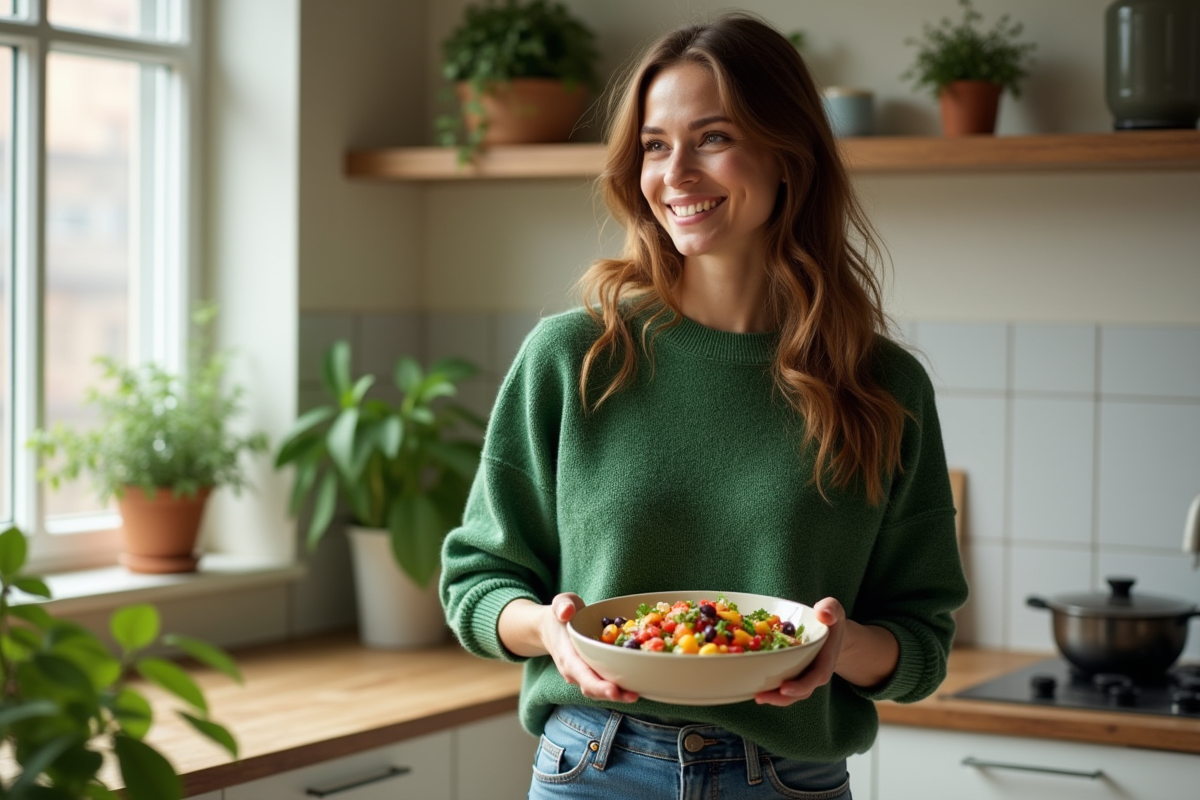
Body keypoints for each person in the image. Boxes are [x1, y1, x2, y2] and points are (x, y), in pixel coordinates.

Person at [440, 11, 968, 800]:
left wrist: (842, 646)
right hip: (594, 766)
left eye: (713, 137)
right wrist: (552, 630)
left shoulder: (881, 385)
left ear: (788, 154)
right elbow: (476, 582)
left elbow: (920, 638)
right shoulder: (572, 358)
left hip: (791, 778)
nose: (676, 173)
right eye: (655, 145)